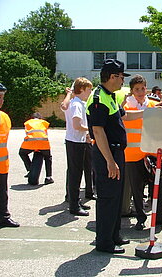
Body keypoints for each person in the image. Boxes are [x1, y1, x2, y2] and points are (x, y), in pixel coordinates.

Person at [86, 59, 146, 254]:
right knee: (107, 198)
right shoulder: (98, 98)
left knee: (116, 197)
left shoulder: (109, 96)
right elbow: (98, 131)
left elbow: (125, 116)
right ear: (112, 76)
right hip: (107, 154)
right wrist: (110, 161)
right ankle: (104, 242)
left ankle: (114, 235)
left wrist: (147, 112)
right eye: (121, 77)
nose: (122, 81)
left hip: (116, 152)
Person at [123, 75, 162, 230]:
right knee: (137, 189)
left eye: (142, 88)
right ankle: (141, 218)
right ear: (132, 91)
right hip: (132, 154)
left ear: (146, 88)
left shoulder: (154, 104)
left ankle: (159, 216)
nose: (140, 92)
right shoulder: (125, 107)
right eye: (136, 89)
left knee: (160, 185)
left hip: (152, 152)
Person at [63, 77, 93, 216]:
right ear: (81, 89)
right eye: (88, 90)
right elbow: (76, 125)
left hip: (76, 141)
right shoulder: (77, 105)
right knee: (75, 175)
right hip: (75, 142)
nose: (90, 92)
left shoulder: (76, 103)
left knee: (76, 173)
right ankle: (74, 206)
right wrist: (90, 130)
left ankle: (75, 201)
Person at [0, 83, 19, 228]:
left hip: (2, 164)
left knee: (2, 193)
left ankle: (4, 216)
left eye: (2, 97)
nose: (1, 101)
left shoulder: (5, 117)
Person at [19, 112, 54, 186]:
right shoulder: (44, 123)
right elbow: (45, 133)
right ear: (40, 118)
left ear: (32, 118)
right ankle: (48, 178)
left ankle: (30, 169)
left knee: (22, 153)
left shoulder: (27, 123)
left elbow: (27, 133)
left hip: (30, 143)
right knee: (48, 157)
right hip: (43, 143)